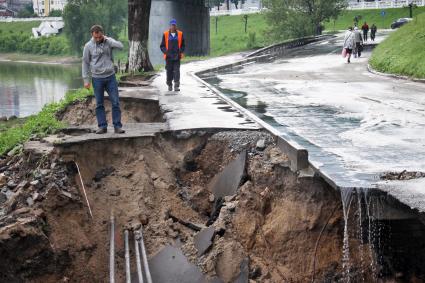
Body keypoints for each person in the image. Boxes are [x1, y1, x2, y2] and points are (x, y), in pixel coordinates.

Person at [82, 25, 125, 134]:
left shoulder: (108, 42)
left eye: (99, 37)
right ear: (92, 35)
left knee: (115, 102)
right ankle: (102, 126)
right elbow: (85, 63)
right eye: (95, 37)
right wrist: (86, 80)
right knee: (99, 103)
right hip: (97, 78)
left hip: (110, 77)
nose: (97, 39)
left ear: (102, 34)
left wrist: (109, 40)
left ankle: (117, 126)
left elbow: (121, 46)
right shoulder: (88, 46)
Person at [160, 19, 185, 92]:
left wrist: (181, 51)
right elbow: (162, 46)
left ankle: (176, 86)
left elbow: (183, 45)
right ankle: (169, 84)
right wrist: (166, 52)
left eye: (174, 25)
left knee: (177, 71)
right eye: (171, 25)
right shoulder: (165, 34)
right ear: (170, 26)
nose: (173, 26)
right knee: (169, 71)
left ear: (175, 26)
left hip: (177, 56)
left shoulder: (180, 34)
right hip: (168, 57)